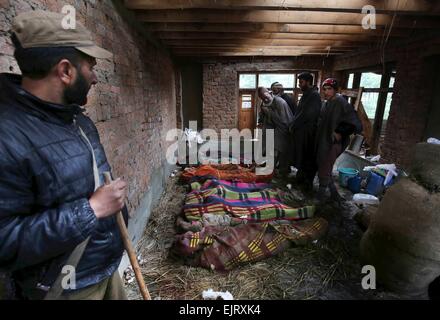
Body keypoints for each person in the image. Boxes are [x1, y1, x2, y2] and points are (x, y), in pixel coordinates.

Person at [0, 10, 128, 300]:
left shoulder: (76, 119)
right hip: (65, 290)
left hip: (104, 270)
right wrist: (91, 210)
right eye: (90, 67)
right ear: (66, 71)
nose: (95, 78)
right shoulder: (7, 136)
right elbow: (5, 240)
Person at [315, 78, 360, 204]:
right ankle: (334, 194)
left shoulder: (341, 102)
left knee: (325, 166)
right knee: (323, 165)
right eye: (324, 89)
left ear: (335, 89)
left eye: (329, 89)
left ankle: (321, 196)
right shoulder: (326, 103)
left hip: (333, 142)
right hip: (323, 139)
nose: (326, 91)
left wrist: (340, 132)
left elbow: (353, 121)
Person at [289, 72, 322, 192]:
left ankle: (307, 183)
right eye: (299, 82)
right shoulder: (306, 94)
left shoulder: (314, 95)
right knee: (301, 156)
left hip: (308, 133)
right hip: (302, 131)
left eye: (301, 82)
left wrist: (294, 124)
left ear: (308, 82)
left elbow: (308, 115)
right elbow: (300, 112)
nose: (299, 85)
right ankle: (300, 177)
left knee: (308, 157)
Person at [257, 86, 294, 177]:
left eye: (265, 97)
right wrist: (261, 121)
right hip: (271, 128)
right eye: (262, 98)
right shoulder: (264, 102)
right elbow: (262, 115)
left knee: (279, 150)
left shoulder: (279, 102)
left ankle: (282, 170)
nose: (264, 99)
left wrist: (269, 113)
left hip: (282, 129)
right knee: (269, 148)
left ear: (268, 93)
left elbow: (283, 120)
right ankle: (270, 167)